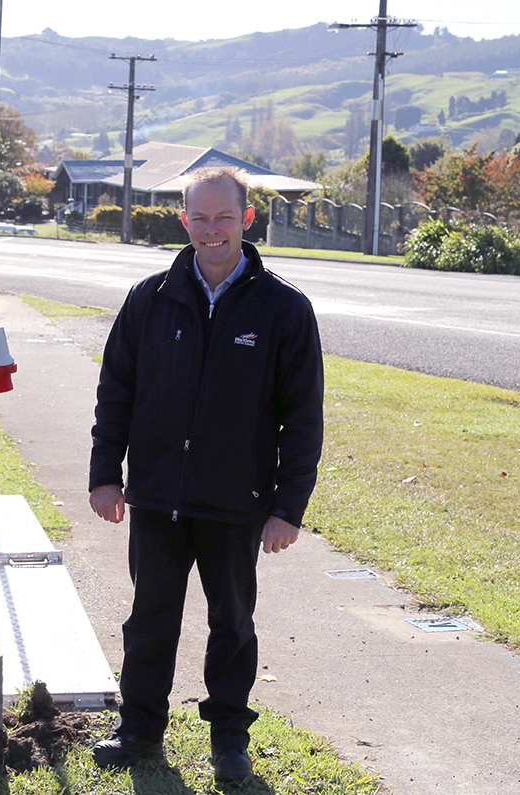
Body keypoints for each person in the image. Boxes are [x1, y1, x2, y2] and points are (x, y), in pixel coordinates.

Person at [88, 166, 324, 782]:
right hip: (159, 496)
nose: (212, 229)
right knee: (149, 619)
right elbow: (116, 390)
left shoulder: (284, 309)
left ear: (247, 219)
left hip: (236, 503)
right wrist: (105, 473)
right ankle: (139, 728)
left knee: (232, 625)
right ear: (183, 219)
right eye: (200, 216)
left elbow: (302, 419)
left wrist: (287, 507)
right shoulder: (150, 298)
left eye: (225, 217)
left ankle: (228, 741)